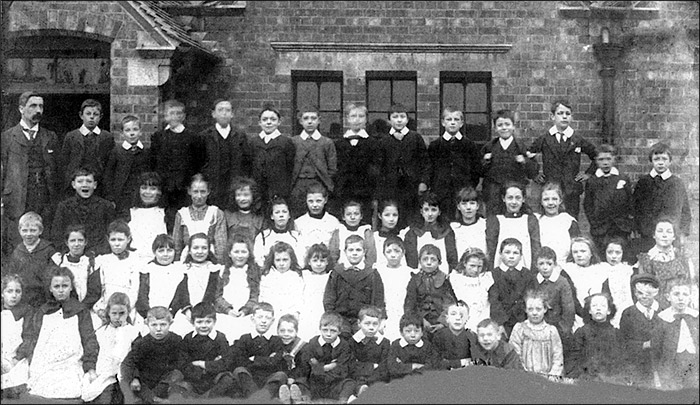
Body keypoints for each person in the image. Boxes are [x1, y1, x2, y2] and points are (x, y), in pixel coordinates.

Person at [17, 266, 98, 399]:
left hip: (70, 362)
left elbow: (89, 339)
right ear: (50, 288)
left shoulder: (80, 311)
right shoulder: (43, 311)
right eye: (57, 286)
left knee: (71, 389)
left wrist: (90, 366)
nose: (61, 290)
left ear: (71, 287)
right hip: (45, 362)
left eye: (65, 286)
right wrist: (26, 357)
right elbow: (33, 338)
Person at [1, 92, 60, 247]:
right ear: (21, 109)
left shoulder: (50, 136)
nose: (38, 110)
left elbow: (57, 169)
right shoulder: (7, 137)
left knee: (44, 240)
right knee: (16, 242)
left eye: (41, 106)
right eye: (33, 106)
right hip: (17, 198)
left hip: (44, 199)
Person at [526, 100, 597, 219]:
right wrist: (534, 174)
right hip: (551, 190)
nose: (564, 116)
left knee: (570, 220)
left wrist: (588, 173)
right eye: (560, 113)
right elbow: (528, 155)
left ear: (571, 117)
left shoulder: (577, 139)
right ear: (552, 116)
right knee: (549, 219)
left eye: (567, 114)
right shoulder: (545, 139)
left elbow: (596, 156)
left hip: (571, 191)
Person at [150, 99, 203, 231]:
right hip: (165, 187)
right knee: (165, 220)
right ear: (165, 116)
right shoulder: (159, 137)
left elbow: (198, 162)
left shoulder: (192, 137)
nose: (175, 116)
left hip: (184, 188)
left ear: (183, 116)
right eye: (171, 113)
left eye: (178, 113)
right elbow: (154, 161)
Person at [632, 142, 692, 255]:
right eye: (656, 159)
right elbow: (635, 208)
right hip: (647, 235)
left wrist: (683, 234)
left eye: (664, 159)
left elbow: (685, 211)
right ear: (651, 161)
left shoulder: (677, 183)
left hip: (670, 236)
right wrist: (637, 229)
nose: (660, 162)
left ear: (670, 161)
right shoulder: (644, 182)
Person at [376, 103, 430, 228]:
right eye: (395, 117)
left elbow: (425, 163)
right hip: (391, 187)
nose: (399, 120)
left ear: (407, 119)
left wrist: (423, 182)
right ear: (389, 120)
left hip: (412, 186)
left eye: (402, 116)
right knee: (393, 215)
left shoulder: (415, 138)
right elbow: (379, 166)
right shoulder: (383, 141)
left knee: (412, 216)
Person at [81, 292, 140, 403]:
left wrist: (136, 377)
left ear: (128, 312)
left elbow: (138, 358)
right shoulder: (101, 332)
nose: (118, 317)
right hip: (103, 374)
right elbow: (91, 353)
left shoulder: (133, 333)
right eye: (114, 313)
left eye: (122, 313)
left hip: (124, 375)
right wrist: (91, 370)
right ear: (108, 312)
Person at [120, 306, 186, 404]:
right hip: (145, 384)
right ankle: (152, 399)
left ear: (170, 323)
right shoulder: (141, 343)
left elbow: (182, 363)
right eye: (154, 325)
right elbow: (127, 364)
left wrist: (168, 381)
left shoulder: (176, 340)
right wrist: (135, 378)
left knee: (177, 380)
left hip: (166, 382)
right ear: (147, 324)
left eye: (163, 324)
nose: (158, 329)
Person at [222, 302, 289, 399]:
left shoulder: (276, 340)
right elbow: (240, 360)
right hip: (249, 377)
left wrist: (254, 359)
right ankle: (259, 398)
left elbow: (276, 362)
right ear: (253, 319)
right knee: (239, 370)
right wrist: (267, 360)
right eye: (260, 317)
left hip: (269, 377)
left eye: (267, 318)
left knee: (281, 375)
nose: (263, 321)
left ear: (272, 321)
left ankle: (258, 398)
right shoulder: (245, 339)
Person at [324, 234, 385, 339]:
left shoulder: (371, 273)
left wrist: (378, 318)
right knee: (342, 338)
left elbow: (378, 299)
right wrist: (332, 319)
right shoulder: (337, 272)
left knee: (363, 340)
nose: (354, 253)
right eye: (351, 250)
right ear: (345, 252)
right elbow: (329, 299)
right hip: (341, 318)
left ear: (364, 252)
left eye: (358, 250)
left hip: (364, 319)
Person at [428, 106, 482, 222]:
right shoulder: (435, 146)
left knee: (461, 221)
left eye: (456, 120)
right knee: (443, 221)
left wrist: (468, 187)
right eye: (449, 119)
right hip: (441, 193)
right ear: (443, 122)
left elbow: (476, 170)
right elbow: (430, 169)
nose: (452, 123)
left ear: (461, 123)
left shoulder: (469, 145)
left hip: (462, 192)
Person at [480, 109, 536, 216]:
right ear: (495, 128)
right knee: (494, 219)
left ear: (513, 126)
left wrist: (524, 161)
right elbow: (480, 171)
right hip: (493, 193)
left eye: (507, 124)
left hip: (515, 193)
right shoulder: (489, 147)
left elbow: (532, 172)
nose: (504, 127)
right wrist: (485, 161)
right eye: (500, 125)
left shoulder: (521, 147)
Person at [583, 143, 634, 258]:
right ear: (596, 161)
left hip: (620, 228)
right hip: (601, 229)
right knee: (601, 256)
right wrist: (594, 223)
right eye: (601, 159)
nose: (605, 163)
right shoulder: (592, 181)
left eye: (608, 159)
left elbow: (630, 202)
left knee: (620, 256)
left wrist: (627, 223)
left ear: (614, 160)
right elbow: (588, 205)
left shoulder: (622, 178)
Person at [332, 103, 381, 222]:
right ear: (347, 119)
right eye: (353, 116)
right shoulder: (338, 144)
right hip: (344, 193)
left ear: (366, 119)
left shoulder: (374, 143)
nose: (357, 119)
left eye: (361, 116)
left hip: (366, 193)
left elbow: (377, 170)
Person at [199, 98, 251, 210]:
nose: (224, 113)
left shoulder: (240, 136)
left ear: (232, 114)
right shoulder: (205, 136)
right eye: (220, 110)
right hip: (213, 186)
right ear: (213, 114)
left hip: (233, 186)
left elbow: (246, 163)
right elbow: (200, 162)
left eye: (227, 110)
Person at [634, 217, 697, 310]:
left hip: (680, 307)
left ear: (674, 236)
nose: (664, 235)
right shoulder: (646, 260)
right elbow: (643, 290)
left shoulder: (683, 258)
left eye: (669, 232)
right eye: (660, 231)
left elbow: (692, 284)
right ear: (654, 235)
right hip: (655, 309)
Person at [50, 167, 115, 255]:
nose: (85, 185)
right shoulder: (64, 207)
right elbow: (56, 236)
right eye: (80, 181)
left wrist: (95, 253)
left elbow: (112, 235)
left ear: (95, 185)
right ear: (73, 184)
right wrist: (70, 253)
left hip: (98, 255)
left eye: (89, 181)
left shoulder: (106, 206)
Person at [297, 311, 357, 403]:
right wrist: (328, 367)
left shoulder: (344, 346)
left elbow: (342, 369)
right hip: (315, 384)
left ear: (340, 331)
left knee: (349, 383)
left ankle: (343, 400)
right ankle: (305, 400)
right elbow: (306, 368)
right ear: (320, 328)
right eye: (325, 330)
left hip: (335, 384)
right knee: (301, 381)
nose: (328, 334)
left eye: (333, 331)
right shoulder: (312, 344)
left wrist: (318, 367)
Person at [59, 98, 114, 198]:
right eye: (88, 114)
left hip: (99, 186)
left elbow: (109, 164)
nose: (91, 117)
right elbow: (64, 163)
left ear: (100, 116)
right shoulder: (72, 136)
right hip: (76, 185)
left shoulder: (107, 137)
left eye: (95, 114)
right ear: (81, 115)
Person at [170, 233, 222, 337]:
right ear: (189, 250)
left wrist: (204, 314)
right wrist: (187, 310)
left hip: (208, 312)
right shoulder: (183, 269)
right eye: (195, 248)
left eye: (204, 248)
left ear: (209, 250)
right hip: (187, 312)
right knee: (179, 329)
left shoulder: (215, 269)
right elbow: (181, 293)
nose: (200, 251)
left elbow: (213, 294)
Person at [290, 104, 337, 218]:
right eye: (306, 118)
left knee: (317, 215)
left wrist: (325, 183)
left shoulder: (326, 142)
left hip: (318, 183)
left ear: (319, 120)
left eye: (313, 118)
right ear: (300, 121)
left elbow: (332, 168)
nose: (310, 122)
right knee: (297, 215)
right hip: (298, 185)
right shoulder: (293, 142)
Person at [179, 302, 235, 398]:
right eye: (199, 322)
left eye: (208, 322)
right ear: (193, 322)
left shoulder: (220, 338)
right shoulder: (188, 338)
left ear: (214, 322)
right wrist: (205, 369)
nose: (204, 326)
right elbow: (183, 362)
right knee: (181, 385)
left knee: (227, 379)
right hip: (194, 378)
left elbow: (227, 361)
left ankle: (205, 399)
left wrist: (203, 364)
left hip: (214, 378)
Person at [91, 220, 141, 326]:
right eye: (113, 240)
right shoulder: (103, 260)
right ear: (108, 240)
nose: (117, 243)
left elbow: (135, 290)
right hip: (107, 306)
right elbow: (101, 289)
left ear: (128, 239)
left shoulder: (135, 259)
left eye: (120, 239)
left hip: (128, 306)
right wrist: (103, 310)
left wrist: (124, 310)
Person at [214, 234, 261, 344]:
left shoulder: (253, 271)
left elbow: (255, 295)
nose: (240, 256)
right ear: (230, 253)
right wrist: (228, 310)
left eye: (244, 252)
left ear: (249, 253)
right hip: (225, 314)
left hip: (246, 314)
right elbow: (217, 296)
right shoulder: (222, 270)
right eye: (236, 252)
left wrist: (245, 310)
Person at [653, 277, 698, 390]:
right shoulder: (662, 318)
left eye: (685, 294)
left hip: (694, 363)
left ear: (690, 297)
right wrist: (657, 373)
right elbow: (656, 348)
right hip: (670, 364)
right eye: (676, 294)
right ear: (668, 297)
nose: (681, 298)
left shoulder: (696, 316)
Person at [103, 115, 152, 219]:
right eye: (127, 130)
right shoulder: (116, 152)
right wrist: (110, 197)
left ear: (140, 132)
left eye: (135, 129)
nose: (132, 133)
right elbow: (109, 175)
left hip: (141, 195)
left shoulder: (146, 152)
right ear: (122, 133)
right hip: (122, 196)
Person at [404, 244, 458, 338]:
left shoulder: (444, 279)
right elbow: (409, 305)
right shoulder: (415, 280)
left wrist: (443, 323)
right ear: (420, 261)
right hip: (420, 322)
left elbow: (450, 304)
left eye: (433, 259)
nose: (429, 263)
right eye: (425, 259)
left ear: (439, 262)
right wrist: (420, 321)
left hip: (441, 322)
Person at [172, 173, 227, 264]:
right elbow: (177, 244)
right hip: (186, 260)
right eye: (195, 191)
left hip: (210, 260)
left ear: (208, 191)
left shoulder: (216, 213)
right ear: (189, 191)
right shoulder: (181, 214)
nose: (199, 196)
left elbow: (221, 244)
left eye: (203, 191)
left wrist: (219, 265)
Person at [488, 238, 537, 337]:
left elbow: (530, 299)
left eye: (515, 253)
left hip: (522, 320)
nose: (511, 256)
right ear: (500, 254)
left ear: (521, 256)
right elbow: (494, 300)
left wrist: (525, 321)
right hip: (502, 322)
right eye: (507, 252)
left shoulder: (527, 275)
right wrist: (500, 323)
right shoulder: (494, 275)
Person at [618, 273, 661, 388]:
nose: (644, 297)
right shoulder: (628, 313)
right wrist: (643, 345)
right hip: (638, 363)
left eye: (648, 293)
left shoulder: (663, 311)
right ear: (635, 293)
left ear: (655, 293)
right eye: (640, 293)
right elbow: (623, 341)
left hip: (660, 361)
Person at [249, 102, 296, 208]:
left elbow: (290, 167)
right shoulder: (253, 142)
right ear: (259, 122)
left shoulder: (286, 142)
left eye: (273, 119)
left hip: (279, 190)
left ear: (279, 122)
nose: (268, 123)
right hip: (258, 191)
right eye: (265, 120)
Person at [509, 290, 564, 378]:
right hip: (524, 378)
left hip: (548, 379)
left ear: (545, 309)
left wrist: (552, 377)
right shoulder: (520, 329)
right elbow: (515, 356)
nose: (534, 313)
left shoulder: (551, 331)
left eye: (538, 309)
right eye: (530, 309)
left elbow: (558, 358)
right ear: (525, 309)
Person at [567, 293, 622, 381]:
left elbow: (621, 362)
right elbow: (573, 360)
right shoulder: (581, 333)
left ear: (609, 311)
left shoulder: (616, 334)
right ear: (589, 310)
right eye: (594, 306)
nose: (598, 308)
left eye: (603, 306)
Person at [486, 182, 541, 270]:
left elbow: (535, 247)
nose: (514, 202)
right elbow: (491, 248)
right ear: (503, 198)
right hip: (500, 270)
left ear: (523, 199)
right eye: (510, 198)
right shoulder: (496, 219)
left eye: (518, 198)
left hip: (525, 269)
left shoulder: (529, 219)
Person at [6, 211, 56, 307]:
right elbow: (11, 276)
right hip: (23, 298)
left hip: (43, 298)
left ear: (40, 231)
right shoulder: (17, 252)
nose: (28, 234)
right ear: (19, 231)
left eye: (33, 230)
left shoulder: (49, 250)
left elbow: (53, 276)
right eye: (25, 230)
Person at [532, 247, 575, 354]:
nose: (545, 267)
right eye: (541, 264)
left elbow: (568, 309)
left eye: (549, 264)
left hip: (557, 327)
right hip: (537, 326)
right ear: (536, 265)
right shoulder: (533, 281)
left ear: (555, 264)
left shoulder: (562, 282)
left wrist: (562, 331)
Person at [561, 236, 610, 331]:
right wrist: (586, 314)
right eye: (575, 252)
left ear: (591, 253)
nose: (579, 255)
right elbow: (571, 299)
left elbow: (606, 293)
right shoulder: (568, 271)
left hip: (599, 314)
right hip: (578, 316)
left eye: (583, 251)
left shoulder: (602, 269)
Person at [135, 234, 186, 322]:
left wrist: (171, 313)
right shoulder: (147, 270)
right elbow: (142, 296)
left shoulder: (179, 270)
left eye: (169, 250)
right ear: (154, 252)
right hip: (149, 315)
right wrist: (148, 314)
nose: (165, 254)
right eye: (161, 251)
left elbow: (179, 296)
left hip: (171, 315)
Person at [404, 191, 458, 274]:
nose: (430, 214)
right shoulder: (413, 232)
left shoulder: (447, 231)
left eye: (433, 210)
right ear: (421, 211)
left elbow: (452, 258)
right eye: (426, 210)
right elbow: (411, 260)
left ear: (439, 212)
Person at [50, 225, 100, 308]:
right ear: (67, 242)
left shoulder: (91, 263)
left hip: (86, 307)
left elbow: (94, 292)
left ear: (85, 242)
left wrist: (81, 308)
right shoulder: (59, 261)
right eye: (72, 241)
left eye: (80, 240)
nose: (76, 244)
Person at [375, 236, 413, 342]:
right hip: (384, 315)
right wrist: (381, 317)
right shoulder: (378, 272)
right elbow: (377, 297)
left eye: (397, 251)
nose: (393, 255)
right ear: (384, 253)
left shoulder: (409, 273)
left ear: (403, 252)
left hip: (403, 313)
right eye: (389, 251)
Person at [258, 242, 305, 324]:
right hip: (270, 314)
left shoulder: (296, 277)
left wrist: (296, 313)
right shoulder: (267, 277)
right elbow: (263, 297)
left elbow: (299, 298)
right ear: (273, 260)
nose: (281, 264)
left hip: (290, 315)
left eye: (285, 260)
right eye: (278, 260)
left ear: (291, 260)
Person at [349, 305, 391, 397]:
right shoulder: (352, 342)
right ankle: (361, 390)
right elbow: (351, 365)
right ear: (359, 323)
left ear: (379, 324)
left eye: (375, 324)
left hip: (377, 376)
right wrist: (372, 366)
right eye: (367, 324)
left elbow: (384, 365)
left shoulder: (384, 343)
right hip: (358, 376)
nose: (371, 327)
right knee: (350, 382)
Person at [125, 171, 168, 262]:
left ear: (159, 192)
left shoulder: (167, 214)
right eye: (144, 188)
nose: (147, 192)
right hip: (133, 261)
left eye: (153, 189)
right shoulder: (129, 213)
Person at [1, 274, 31, 398]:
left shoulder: (26, 312)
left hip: (17, 358)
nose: (14, 295)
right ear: (2, 293)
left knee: (19, 377)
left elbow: (29, 337)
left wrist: (17, 358)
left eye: (18, 291)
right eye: (9, 291)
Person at [536, 182, 579, 267]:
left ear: (560, 200)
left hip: (565, 266)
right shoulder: (537, 221)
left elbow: (576, 246)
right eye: (546, 199)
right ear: (541, 201)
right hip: (544, 266)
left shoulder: (568, 221)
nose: (550, 203)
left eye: (554, 199)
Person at [253, 196, 304, 268]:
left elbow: (301, 260)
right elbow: (258, 260)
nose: (281, 215)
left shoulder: (297, 237)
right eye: (277, 212)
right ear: (272, 216)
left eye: (284, 212)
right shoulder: (263, 237)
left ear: (289, 215)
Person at [450, 247, 493, 332]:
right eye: (472, 266)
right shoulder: (455, 279)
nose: (475, 270)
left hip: (483, 320)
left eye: (479, 266)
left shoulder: (487, 279)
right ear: (464, 263)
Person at [388, 313, 442, 380]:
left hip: (422, 380)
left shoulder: (427, 346)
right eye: (408, 331)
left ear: (422, 332)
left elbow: (432, 365)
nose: (413, 335)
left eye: (416, 331)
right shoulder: (396, 345)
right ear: (401, 332)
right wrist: (413, 366)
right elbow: (392, 367)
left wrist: (404, 368)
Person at [295, 182, 340, 259]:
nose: (315, 205)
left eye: (318, 201)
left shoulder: (333, 222)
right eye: (310, 201)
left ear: (325, 200)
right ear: (306, 200)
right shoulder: (299, 223)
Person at [299, 243, 333, 341]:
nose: (318, 264)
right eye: (315, 260)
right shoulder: (305, 275)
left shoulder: (330, 276)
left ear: (327, 262)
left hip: (323, 310)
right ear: (309, 262)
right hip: (308, 311)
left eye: (322, 261)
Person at [328, 199, 376, 267]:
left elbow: (371, 256)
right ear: (343, 217)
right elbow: (333, 255)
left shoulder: (366, 232)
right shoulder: (339, 231)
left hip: (363, 272)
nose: (352, 217)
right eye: (348, 214)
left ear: (361, 216)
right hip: (342, 271)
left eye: (356, 214)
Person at [431, 302, 478, 370]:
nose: (458, 318)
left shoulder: (472, 336)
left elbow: (478, 360)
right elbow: (434, 362)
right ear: (447, 318)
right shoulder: (439, 336)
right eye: (453, 314)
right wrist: (460, 363)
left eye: (462, 315)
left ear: (468, 318)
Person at [601, 237, 634, 328]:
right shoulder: (600, 270)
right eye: (610, 252)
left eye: (618, 253)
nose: (614, 256)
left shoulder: (628, 271)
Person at [276, 313, 308, 404]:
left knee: (301, 382)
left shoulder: (302, 346)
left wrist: (293, 377)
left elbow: (303, 367)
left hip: (297, 376)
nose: (286, 334)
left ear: (296, 332)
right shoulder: (276, 345)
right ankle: (284, 399)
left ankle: (299, 399)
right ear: (277, 331)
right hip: (282, 376)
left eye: (290, 331)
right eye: (282, 331)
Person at [224, 176, 264, 244]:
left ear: (253, 196)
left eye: (246, 195)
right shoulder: (227, 216)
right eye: (238, 195)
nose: (242, 199)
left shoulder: (259, 218)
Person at [450, 187, 487, 258]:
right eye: (464, 204)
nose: (468, 207)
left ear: (477, 206)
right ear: (458, 206)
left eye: (472, 203)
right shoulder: (453, 227)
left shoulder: (485, 225)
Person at [372, 199, 408, 268]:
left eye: (394, 215)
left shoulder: (403, 236)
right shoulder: (374, 238)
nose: (391, 219)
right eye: (387, 215)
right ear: (380, 215)